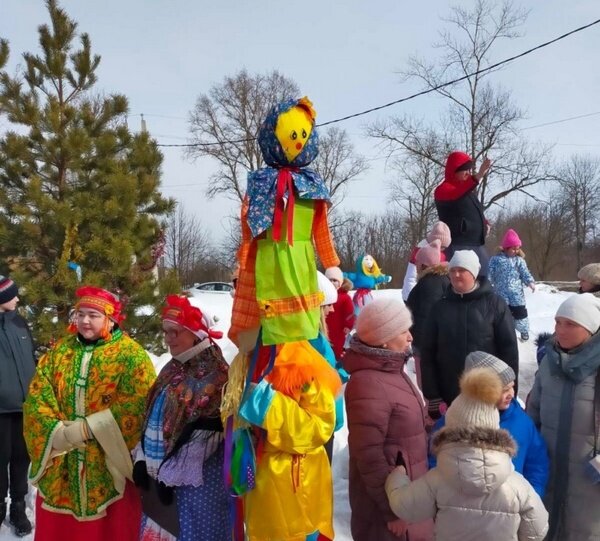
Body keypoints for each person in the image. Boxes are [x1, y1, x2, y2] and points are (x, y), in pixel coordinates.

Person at [23, 286, 156, 541]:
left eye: (94, 315)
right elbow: (38, 396)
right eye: (80, 314)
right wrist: (57, 434)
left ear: (111, 318)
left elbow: (138, 403)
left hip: (109, 463)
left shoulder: (131, 356)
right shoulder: (60, 353)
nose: (85, 320)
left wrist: (89, 428)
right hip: (63, 461)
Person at [386, 367, 548, 541]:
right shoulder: (517, 485)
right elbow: (537, 530)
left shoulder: (437, 479)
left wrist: (397, 476)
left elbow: (404, 506)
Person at [134, 295, 230, 541]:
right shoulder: (173, 366)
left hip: (196, 486)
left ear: (196, 333)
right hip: (161, 485)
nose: (168, 339)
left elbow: (208, 434)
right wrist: (142, 459)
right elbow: (151, 413)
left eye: (175, 332)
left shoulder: (216, 374)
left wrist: (173, 474)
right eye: (166, 332)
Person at [344, 298, 433, 541]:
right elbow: (369, 456)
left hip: (411, 495)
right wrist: (392, 510)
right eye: (403, 330)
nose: (410, 337)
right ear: (383, 338)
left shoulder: (392, 369)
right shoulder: (368, 383)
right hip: (388, 512)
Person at [527, 293, 600, 540]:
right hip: (548, 471)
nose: (560, 330)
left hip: (590, 484)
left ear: (590, 328)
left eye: (570, 324)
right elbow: (533, 412)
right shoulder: (549, 363)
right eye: (558, 322)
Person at [428, 351, 549, 497]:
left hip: (512, 505)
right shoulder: (453, 421)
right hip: (463, 506)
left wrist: (533, 493)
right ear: (480, 392)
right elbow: (435, 462)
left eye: (512, 386)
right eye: (503, 390)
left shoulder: (522, 421)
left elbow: (536, 461)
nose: (511, 393)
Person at [420, 249, 519, 421]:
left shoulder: (495, 304)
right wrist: (433, 395)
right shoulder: (439, 308)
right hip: (449, 393)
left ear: (473, 273)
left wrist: (508, 390)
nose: (456, 275)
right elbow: (428, 353)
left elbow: (509, 349)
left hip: (487, 394)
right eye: (452, 270)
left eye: (462, 270)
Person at [0, 276, 36, 536]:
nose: (18, 298)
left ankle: (19, 506)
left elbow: (31, 358)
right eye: (13, 295)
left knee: (22, 460)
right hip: (0, 411)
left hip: (25, 409)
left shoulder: (20, 323)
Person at [311, 271, 348, 464]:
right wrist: (341, 374)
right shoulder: (313, 340)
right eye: (328, 305)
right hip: (320, 423)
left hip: (325, 420)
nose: (332, 310)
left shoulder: (318, 338)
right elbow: (321, 377)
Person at [434, 151, 491, 276]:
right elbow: (456, 194)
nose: (468, 173)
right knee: (463, 280)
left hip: (477, 244)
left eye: (470, 170)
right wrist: (479, 175)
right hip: (458, 244)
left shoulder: (468, 192)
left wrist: (484, 224)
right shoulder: (444, 189)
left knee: (484, 280)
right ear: (455, 171)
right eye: (465, 170)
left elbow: (474, 211)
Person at [488, 229, 536, 341]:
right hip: (501, 293)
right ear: (506, 248)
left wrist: (530, 282)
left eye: (517, 248)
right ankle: (503, 332)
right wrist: (488, 285)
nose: (516, 251)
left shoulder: (519, 261)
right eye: (513, 248)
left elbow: (525, 273)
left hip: (516, 294)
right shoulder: (496, 260)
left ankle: (524, 331)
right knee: (502, 314)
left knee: (520, 313)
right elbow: (490, 273)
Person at [402, 222, 451, 301]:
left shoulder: (442, 254)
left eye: (444, 247)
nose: (443, 249)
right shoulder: (421, 252)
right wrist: (410, 297)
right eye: (442, 246)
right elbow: (411, 277)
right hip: (417, 296)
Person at [324, 267, 355, 361]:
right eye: (330, 280)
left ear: (340, 282)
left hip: (338, 328)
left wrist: (348, 325)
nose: (332, 283)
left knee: (337, 346)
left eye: (335, 280)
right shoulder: (323, 295)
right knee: (325, 346)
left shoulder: (344, 297)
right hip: (325, 326)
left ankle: (337, 362)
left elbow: (349, 313)